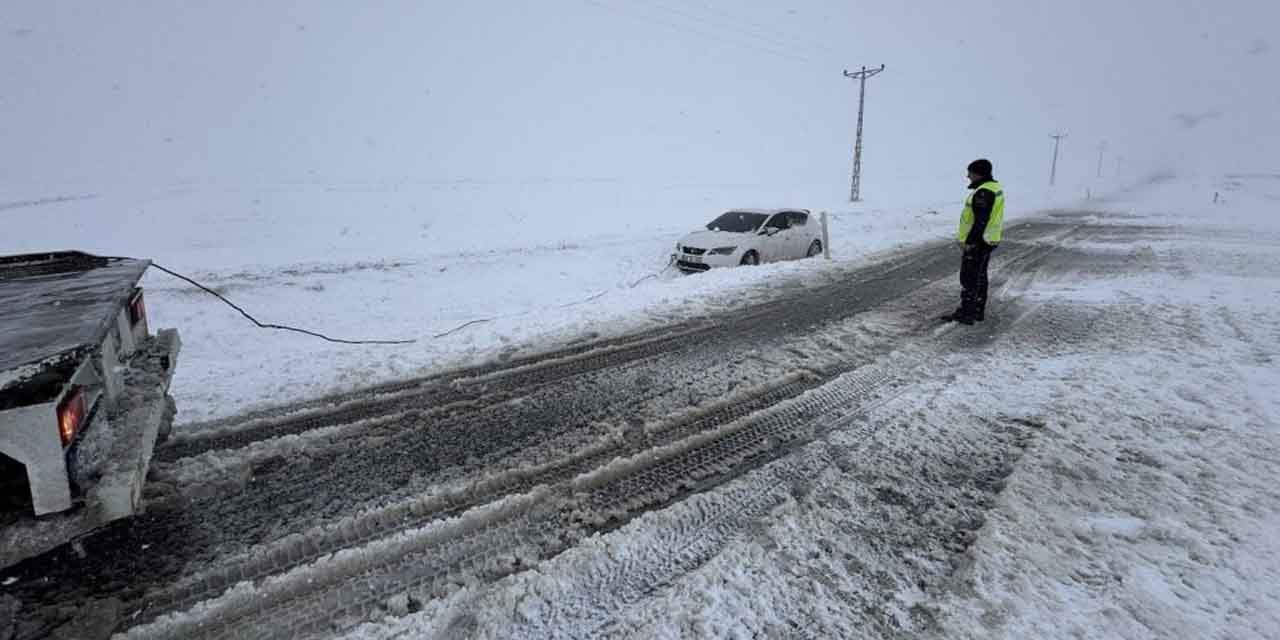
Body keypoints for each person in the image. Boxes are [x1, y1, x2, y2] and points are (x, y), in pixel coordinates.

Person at [941, 159, 1005, 325]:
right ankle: (977, 310)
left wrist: (970, 242)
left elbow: (981, 220)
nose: (968, 176)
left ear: (979, 173)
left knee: (969, 277)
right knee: (980, 276)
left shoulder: (984, 192)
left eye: (970, 172)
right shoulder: (994, 188)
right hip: (989, 239)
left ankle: (967, 312)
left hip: (979, 241)